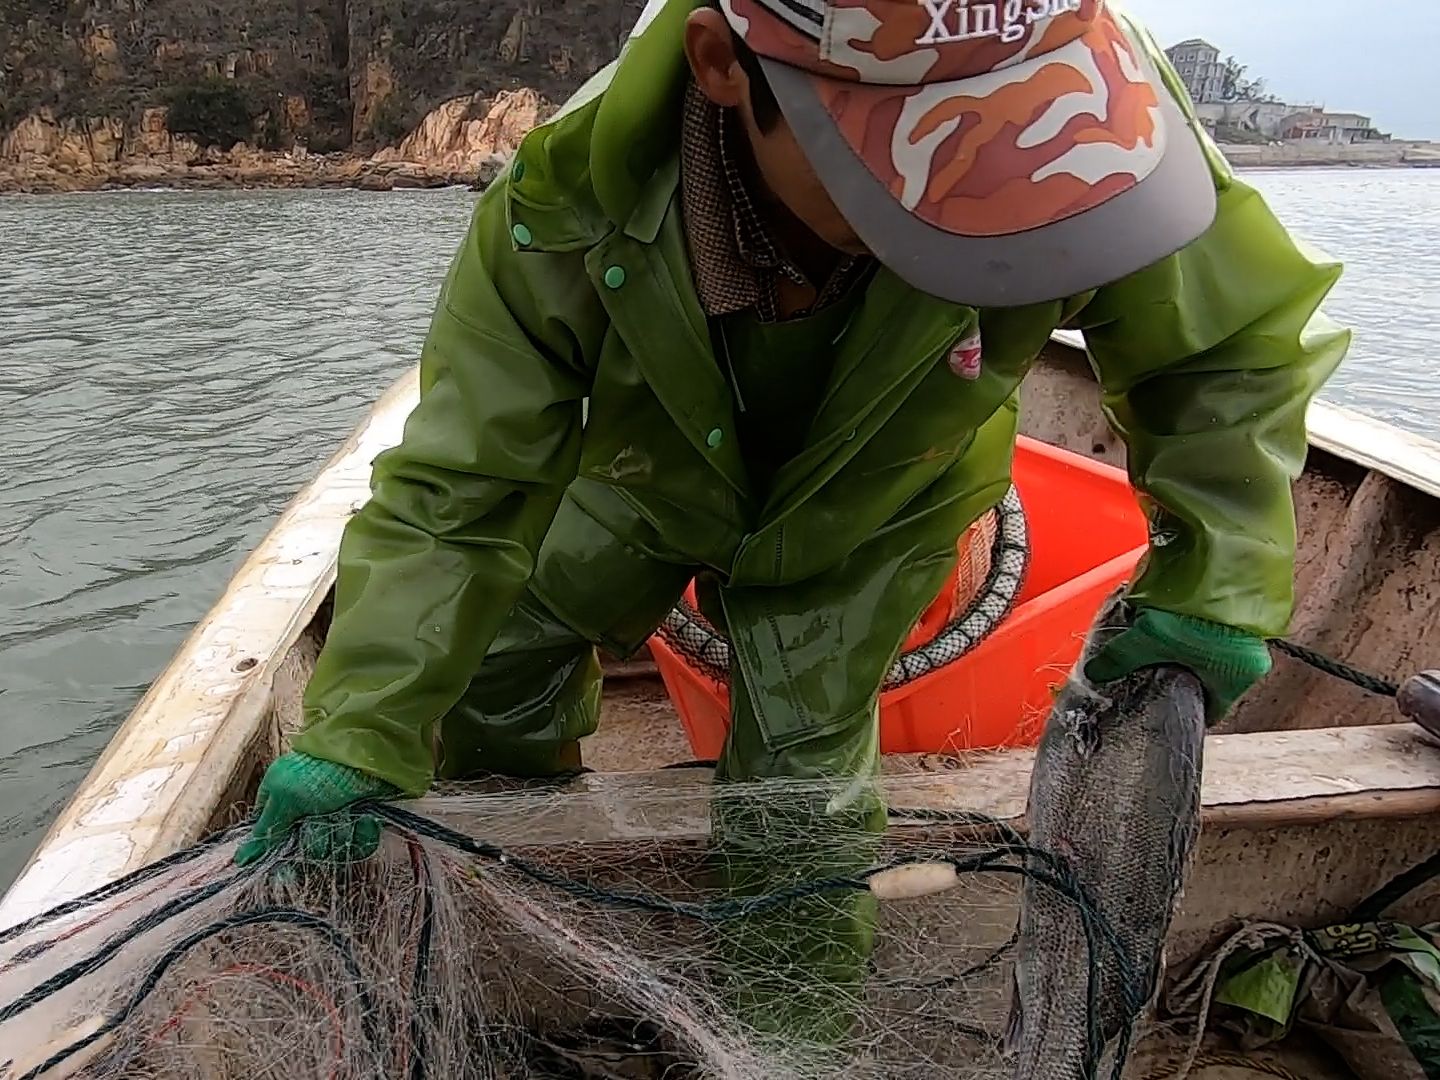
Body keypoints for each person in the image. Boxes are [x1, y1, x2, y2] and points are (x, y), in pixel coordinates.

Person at [236, 0, 1351, 1042]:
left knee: (799, 804)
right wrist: (363, 723)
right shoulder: (570, 191)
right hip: (634, 476)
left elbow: (1229, 347)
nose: (996, 202)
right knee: (494, 665)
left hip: (882, 500)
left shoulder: (1093, 99)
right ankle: (537, 943)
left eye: (1014, 163)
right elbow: (462, 483)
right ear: (725, 66)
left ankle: (791, 1045)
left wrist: (1219, 570)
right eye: (918, 150)